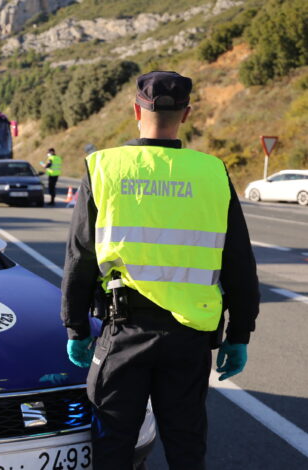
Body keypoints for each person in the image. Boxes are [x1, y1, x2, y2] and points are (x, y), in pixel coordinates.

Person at [60, 71, 259, 470]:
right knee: (186, 446)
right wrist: (239, 334)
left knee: (114, 445)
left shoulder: (103, 167)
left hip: (124, 331)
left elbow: (80, 257)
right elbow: (237, 260)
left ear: (136, 109)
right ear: (186, 114)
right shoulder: (212, 172)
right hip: (190, 338)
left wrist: (76, 327)